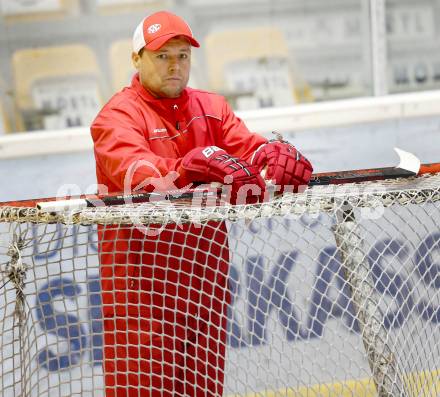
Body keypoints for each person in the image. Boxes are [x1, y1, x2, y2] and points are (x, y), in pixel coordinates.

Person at [90, 10, 312, 397]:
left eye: (183, 56)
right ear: (136, 59)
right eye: (162, 56)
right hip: (142, 292)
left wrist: (273, 152)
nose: (174, 65)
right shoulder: (116, 116)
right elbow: (134, 170)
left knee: (204, 390)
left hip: (205, 283)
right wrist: (185, 168)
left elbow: (248, 146)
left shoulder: (212, 107)